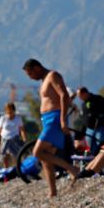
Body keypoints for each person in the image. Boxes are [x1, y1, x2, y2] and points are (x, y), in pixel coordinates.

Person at [21, 58, 80, 197]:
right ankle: (53, 192)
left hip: (55, 119)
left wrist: (62, 120)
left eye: (30, 74)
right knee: (46, 158)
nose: (30, 77)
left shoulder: (53, 76)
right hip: (47, 120)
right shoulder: (44, 81)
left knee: (37, 152)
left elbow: (64, 95)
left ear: (36, 68)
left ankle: (73, 169)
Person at [75, 87, 104, 154]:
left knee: (101, 145)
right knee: (91, 147)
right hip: (89, 130)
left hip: (100, 128)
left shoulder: (98, 99)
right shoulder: (83, 104)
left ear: (85, 93)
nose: (80, 98)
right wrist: (80, 134)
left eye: (80, 96)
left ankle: (103, 160)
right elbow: (83, 119)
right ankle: (93, 159)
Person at [0, 102, 27, 168]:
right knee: (4, 156)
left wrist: (24, 139)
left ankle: (19, 169)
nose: (9, 113)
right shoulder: (3, 118)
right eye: (8, 112)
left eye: (11, 111)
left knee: (17, 155)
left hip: (14, 139)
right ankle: (4, 169)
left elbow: (22, 130)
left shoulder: (18, 118)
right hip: (5, 139)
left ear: (14, 111)